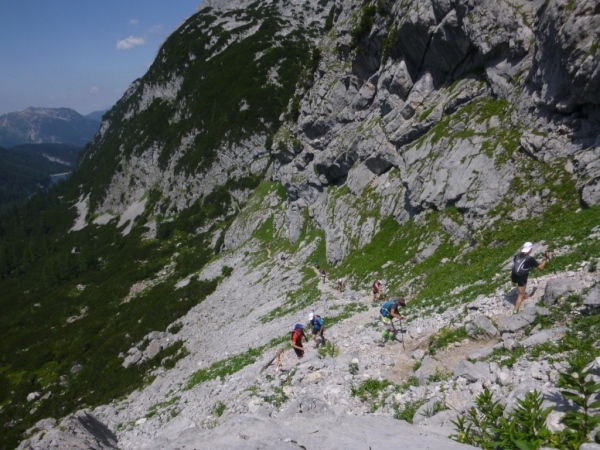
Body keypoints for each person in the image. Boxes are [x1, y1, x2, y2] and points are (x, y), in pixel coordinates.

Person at [511, 242, 549, 314]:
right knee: (520, 296)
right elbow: (540, 267)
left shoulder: (517, 255)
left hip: (514, 276)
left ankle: (524, 294)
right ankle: (515, 310)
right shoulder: (529, 259)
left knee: (521, 289)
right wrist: (545, 258)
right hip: (522, 278)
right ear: (530, 249)